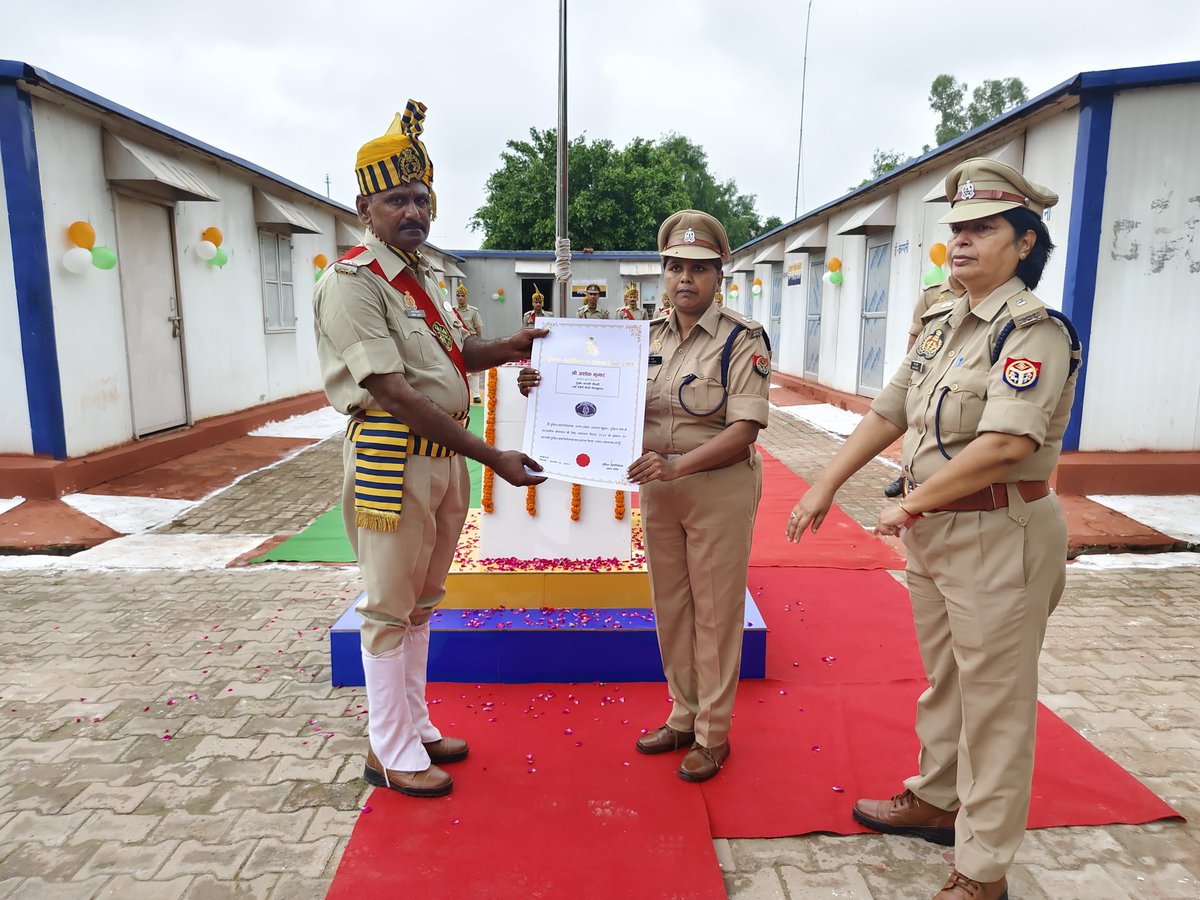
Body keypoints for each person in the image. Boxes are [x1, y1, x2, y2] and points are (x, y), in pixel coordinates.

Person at [786, 158, 1080, 900]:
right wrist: (826, 480)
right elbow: (890, 408)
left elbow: (1007, 445)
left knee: (998, 706)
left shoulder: (1033, 332)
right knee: (947, 682)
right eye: (957, 230)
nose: (965, 241)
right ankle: (937, 798)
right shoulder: (943, 320)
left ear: (1025, 242)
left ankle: (982, 872)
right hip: (939, 536)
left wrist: (912, 502)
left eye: (984, 228)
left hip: (999, 532)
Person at [313, 100, 547, 799]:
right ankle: (386, 751)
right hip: (394, 456)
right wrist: (492, 456)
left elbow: (451, 356)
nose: (412, 210)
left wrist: (509, 348)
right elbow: (393, 391)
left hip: (438, 463)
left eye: (420, 198)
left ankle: (412, 725)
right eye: (396, 199)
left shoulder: (421, 280)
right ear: (366, 207)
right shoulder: (352, 283)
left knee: (423, 601)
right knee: (389, 605)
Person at [519, 210, 770, 782]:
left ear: (718, 275)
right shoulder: (639, 338)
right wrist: (543, 380)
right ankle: (682, 715)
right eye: (675, 267)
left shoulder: (742, 338)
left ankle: (713, 733)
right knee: (672, 607)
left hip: (717, 488)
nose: (685, 279)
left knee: (715, 613)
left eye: (699, 269)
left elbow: (744, 430)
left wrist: (679, 464)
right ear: (663, 272)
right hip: (659, 488)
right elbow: (596, 397)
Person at [883, 271, 968, 498]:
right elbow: (916, 335)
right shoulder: (932, 295)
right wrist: (912, 372)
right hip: (930, 372)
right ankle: (905, 475)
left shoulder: (980, 292)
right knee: (916, 424)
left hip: (962, 372)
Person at [453, 283, 485, 404]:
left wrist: (479, 344)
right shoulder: (452, 311)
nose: (460, 297)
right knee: (459, 369)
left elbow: (478, 329)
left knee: (474, 368)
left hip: (470, 341)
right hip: (456, 342)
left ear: (466, 297)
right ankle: (462, 395)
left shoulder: (473, 311)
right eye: (458, 295)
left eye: (462, 295)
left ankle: (476, 395)